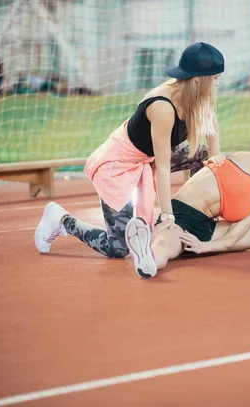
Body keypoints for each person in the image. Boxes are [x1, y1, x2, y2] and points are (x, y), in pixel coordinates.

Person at [35, 150, 250, 278]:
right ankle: (144, 253)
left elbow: (237, 235)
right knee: (152, 241)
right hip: (178, 211)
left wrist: (206, 247)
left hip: (208, 232)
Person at [34, 42, 225, 259]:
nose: (218, 83)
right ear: (199, 79)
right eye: (215, 78)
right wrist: (167, 217)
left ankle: (194, 218)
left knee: (203, 157)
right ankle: (61, 220)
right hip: (119, 162)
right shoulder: (163, 106)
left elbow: (210, 122)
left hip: (148, 158)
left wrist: (215, 155)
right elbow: (162, 169)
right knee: (117, 248)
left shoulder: (196, 97)